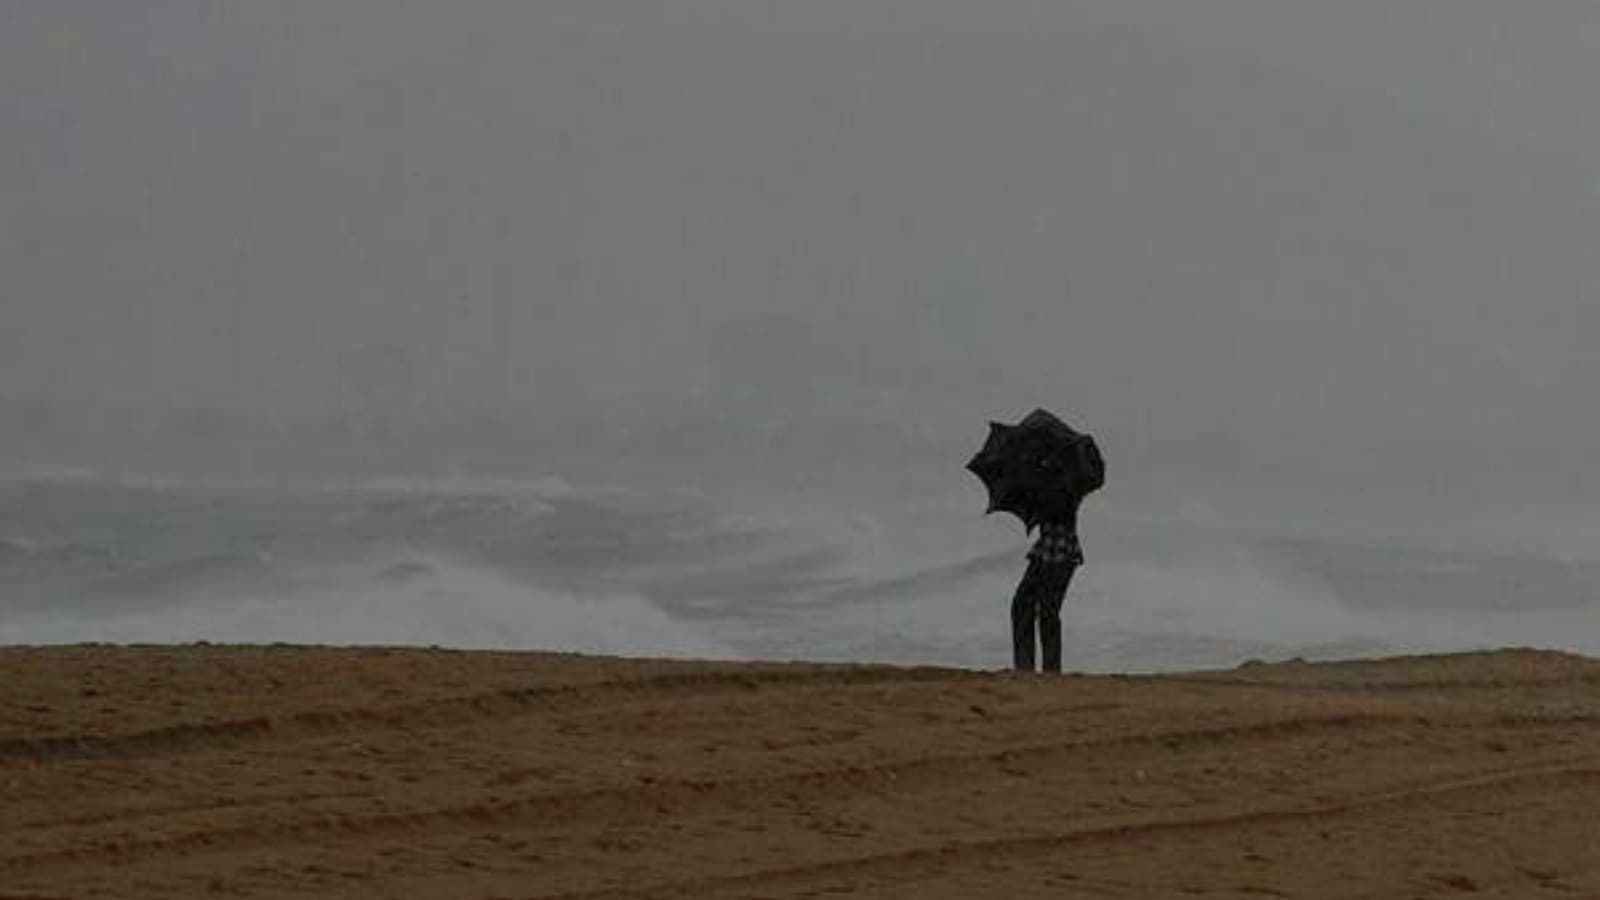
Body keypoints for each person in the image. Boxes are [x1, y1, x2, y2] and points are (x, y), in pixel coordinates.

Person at [1010, 436, 1102, 673]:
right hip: (1045, 550)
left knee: (1048, 610)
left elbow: (1092, 479)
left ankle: (1049, 671)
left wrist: (1083, 449)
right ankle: (1026, 668)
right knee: (1022, 605)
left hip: (1062, 552)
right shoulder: (1043, 477)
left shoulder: (1072, 479)